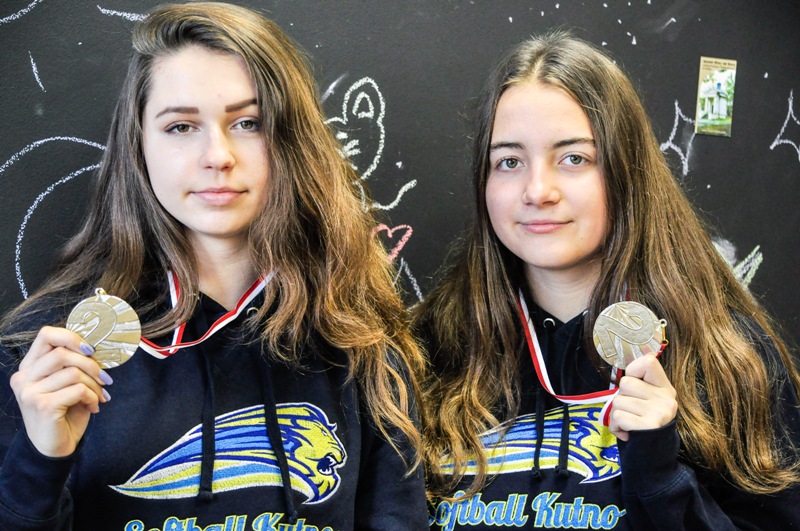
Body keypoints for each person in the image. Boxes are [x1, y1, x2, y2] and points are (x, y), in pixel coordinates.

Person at [0, 3, 428, 530]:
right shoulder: (49, 355)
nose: (218, 155)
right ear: (139, 145)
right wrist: (39, 464)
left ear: (291, 140)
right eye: (181, 126)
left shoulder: (361, 345)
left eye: (248, 123)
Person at [417, 30, 800, 530]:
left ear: (626, 172)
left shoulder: (728, 358)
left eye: (574, 158)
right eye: (509, 161)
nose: (538, 190)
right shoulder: (428, 351)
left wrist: (660, 474)